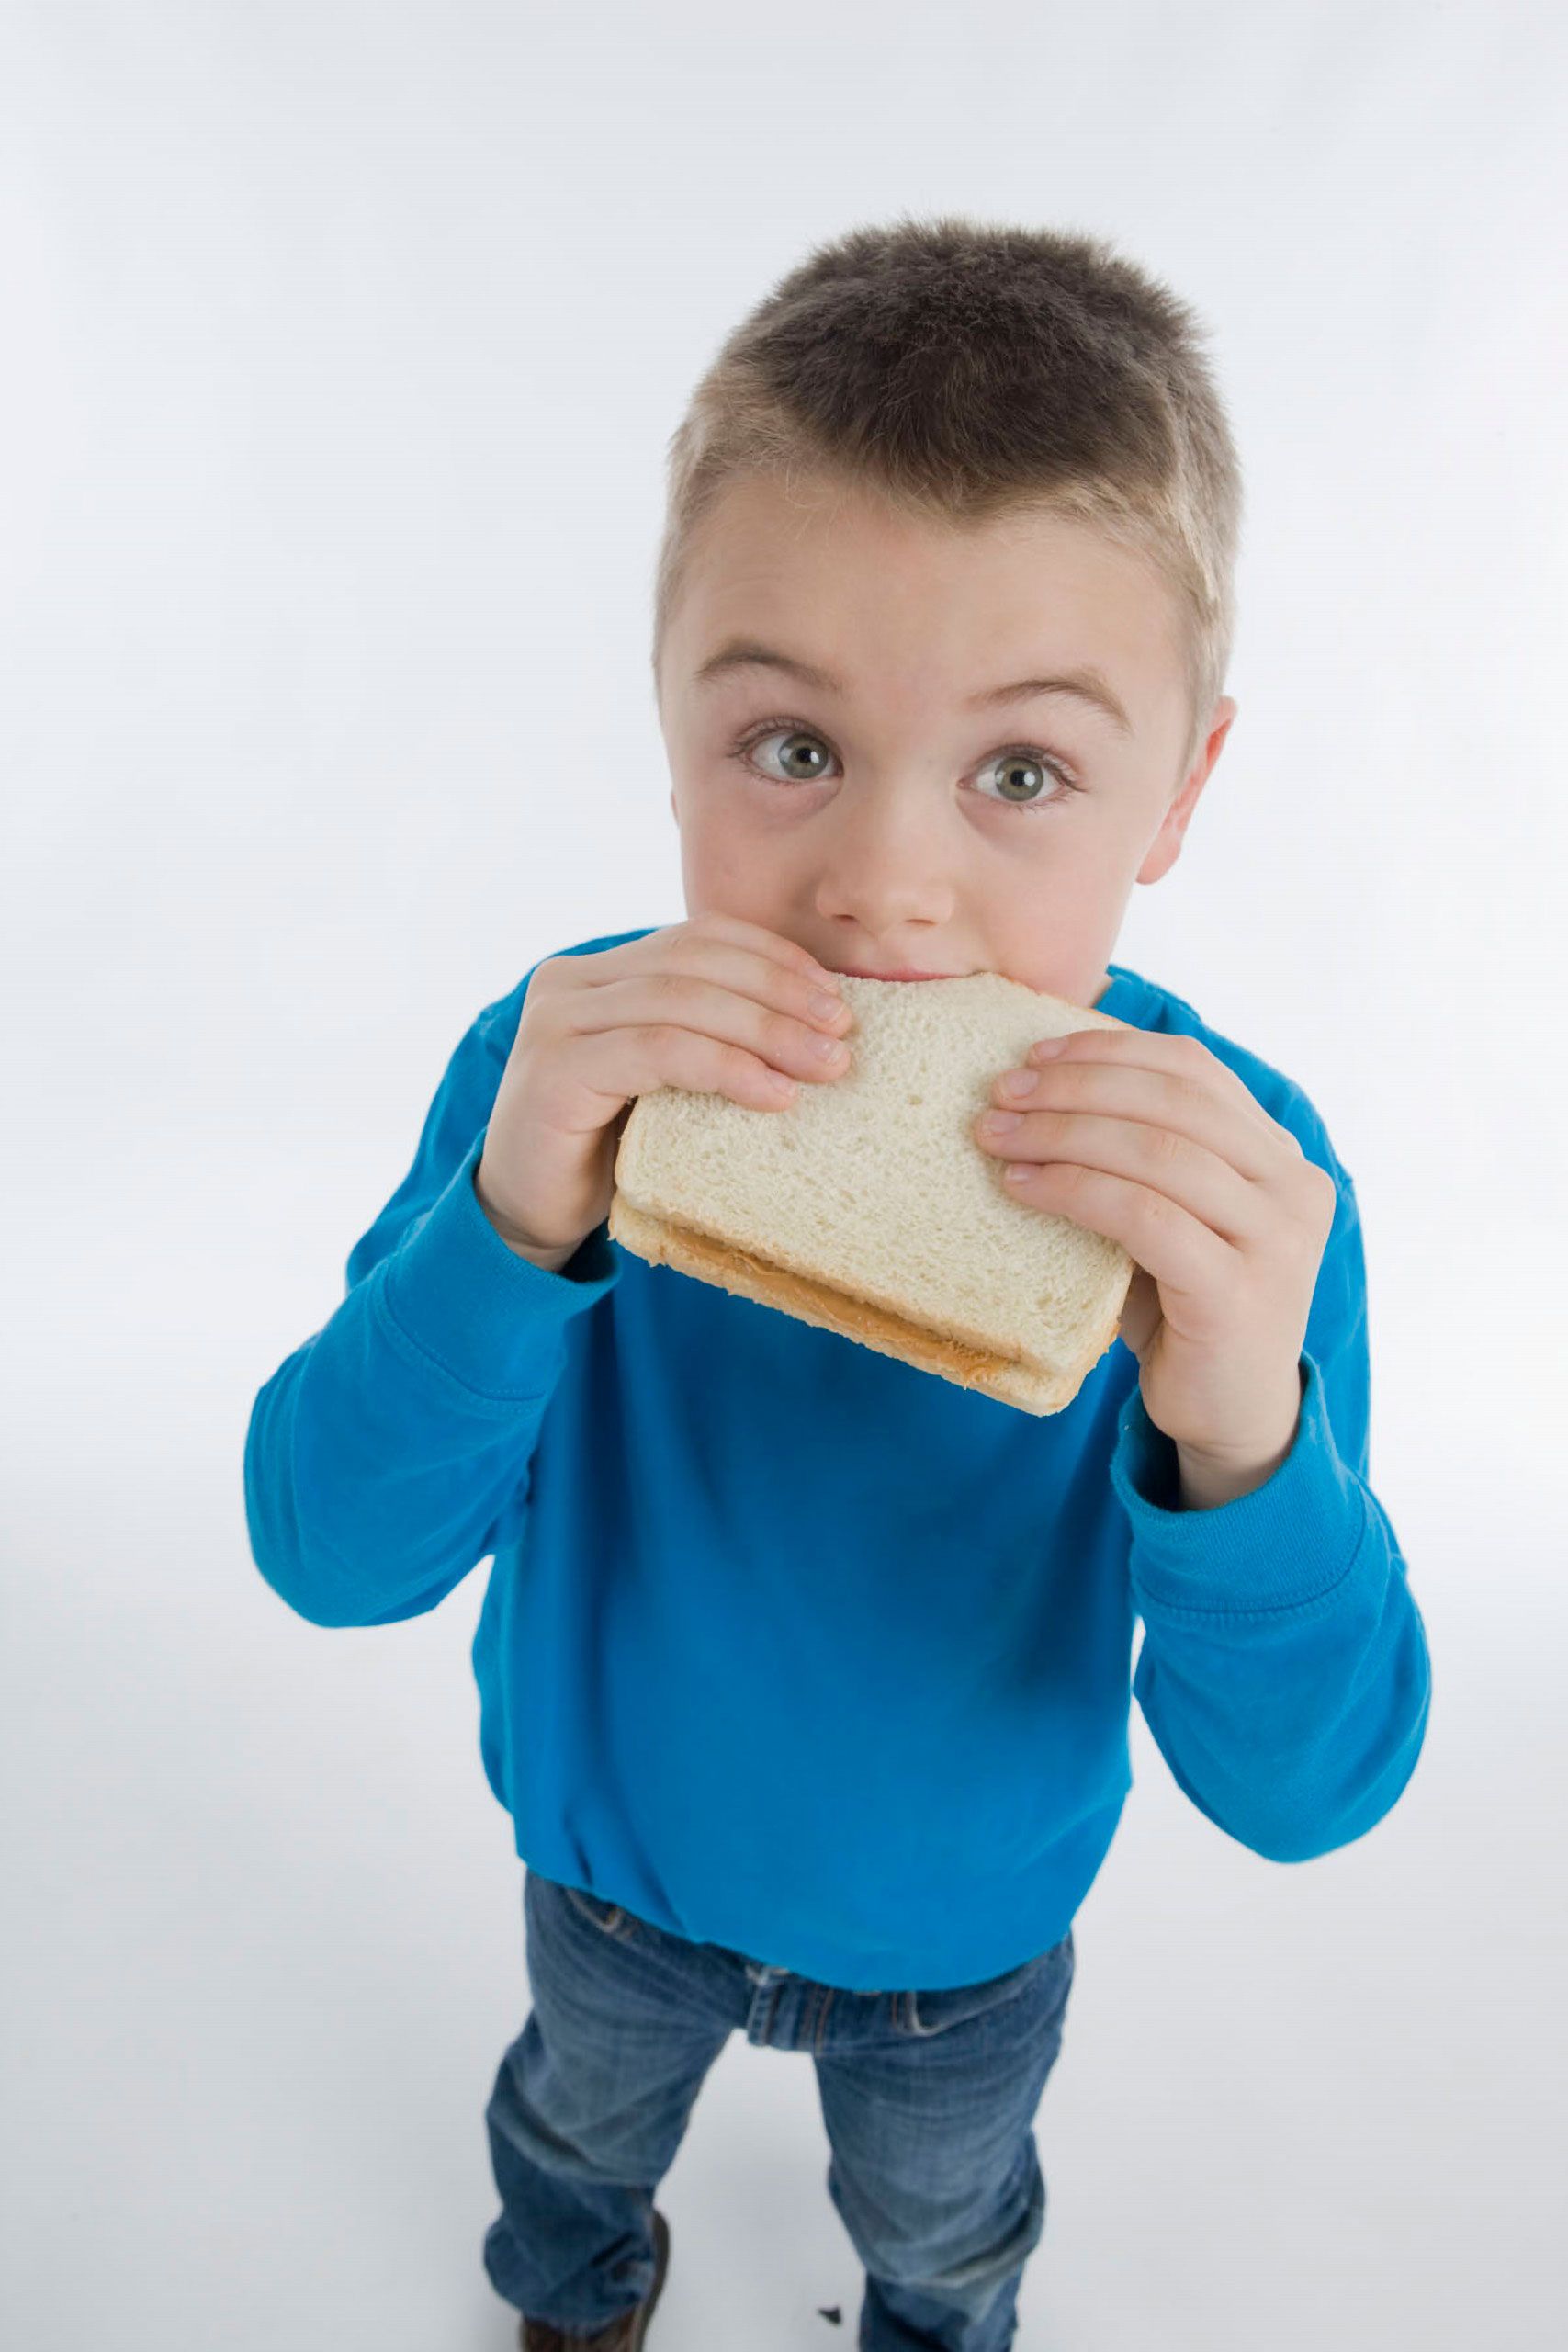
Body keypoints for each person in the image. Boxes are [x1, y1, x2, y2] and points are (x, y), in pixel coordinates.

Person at [243, 216, 1431, 2352]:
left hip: (962, 1950)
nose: (886, 890)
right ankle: (575, 2281)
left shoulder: (1235, 1189)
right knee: (573, 2135)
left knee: (947, 2222)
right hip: (606, 1876)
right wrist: (514, 1224)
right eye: (789, 744)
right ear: (670, 715)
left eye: (1022, 771)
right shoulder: (555, 1077)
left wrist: (1237, 1419)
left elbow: (1309, 1784)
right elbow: (327, 1551)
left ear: (1179, 787)